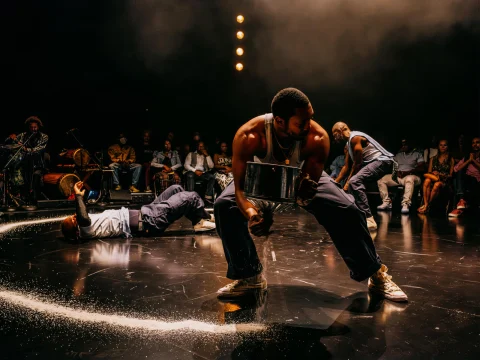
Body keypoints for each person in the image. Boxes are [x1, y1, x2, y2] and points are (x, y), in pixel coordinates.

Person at [214, 88, 407, 302]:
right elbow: (240, 190)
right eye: (301, 123)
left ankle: (375, 273)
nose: (308, 126)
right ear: (279, 121)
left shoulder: (317, 137)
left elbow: (304, 191)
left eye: (310, 118)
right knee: (224, 204)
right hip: (258, 176)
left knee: (346, 209)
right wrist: (252, 214)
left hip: (300, 175)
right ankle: (248, 276)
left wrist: (303, 195)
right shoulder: (249, 135)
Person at [61, 182, 216, 241]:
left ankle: (199, 220)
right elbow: (82, 216)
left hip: (147, 212)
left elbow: (81, 215)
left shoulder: (86, 226)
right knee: (191, 197)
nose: (75, 216)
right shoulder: (85, 229)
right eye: (73, 219)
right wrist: (78, 196)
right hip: (149, 221)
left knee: (176, 189)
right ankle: (203, 219)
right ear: (76, 228)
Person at [332, 122, 395, 230]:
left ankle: (369, 219)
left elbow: (357, 163)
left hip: (383, 162)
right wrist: (335, 182)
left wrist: (347, 182)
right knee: (353, 185)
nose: (334, 137)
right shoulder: (348, 145)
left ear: (341, 130)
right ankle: (357, 216)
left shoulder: (355, 138)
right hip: (373, 163)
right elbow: (346, 167)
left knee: (354, 181)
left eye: (334, 133)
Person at [6, 116, 49, 205]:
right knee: (17, 174)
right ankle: (20, 197)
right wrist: (11, 138)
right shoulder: (23, 135)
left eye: (35, 127)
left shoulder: (44, 136)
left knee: (36, 176)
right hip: (24, 163)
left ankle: (34, 198)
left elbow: (39, 149)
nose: (33, 129)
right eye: (31, 127)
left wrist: (25, 149)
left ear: (38, 127)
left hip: (38, 164)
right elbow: (12, 144)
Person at [377, 138, 425, 214]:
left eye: (405, 145)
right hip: (399, 176)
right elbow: (393, 166)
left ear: (410, 145)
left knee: (409, 179)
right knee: (382, 180)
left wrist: (409, 172)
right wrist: (397, 172)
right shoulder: (398, 155)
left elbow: (421, 167)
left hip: (413, 176)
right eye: (402, 145)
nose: (403, 146)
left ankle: (405, 204)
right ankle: (387, 202)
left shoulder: (417, 154)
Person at [417, 139, 454, 214]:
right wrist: (433, 173)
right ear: (438, 146)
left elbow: (451, 175)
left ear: (447, 147)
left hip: (444, 181)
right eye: (441, 145)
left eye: (445, 145)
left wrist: (441, 174)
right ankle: (426, 204)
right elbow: (429, 172)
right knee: (427, 180)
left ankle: (427, 205)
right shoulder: (433, 159)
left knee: (437, 184)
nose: (442, 147)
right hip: (433, 179)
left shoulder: (451, 159)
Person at [448, 137, 480, 217]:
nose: (475, 144)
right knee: (459, 173)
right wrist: (469, 160)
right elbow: (456, 169)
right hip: (466, 180)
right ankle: (461, 201)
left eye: (477, 142)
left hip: (477, 181)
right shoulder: (467, 156)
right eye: (473, 143)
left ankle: (458, 209)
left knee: (462, 181)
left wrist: (474, 161)